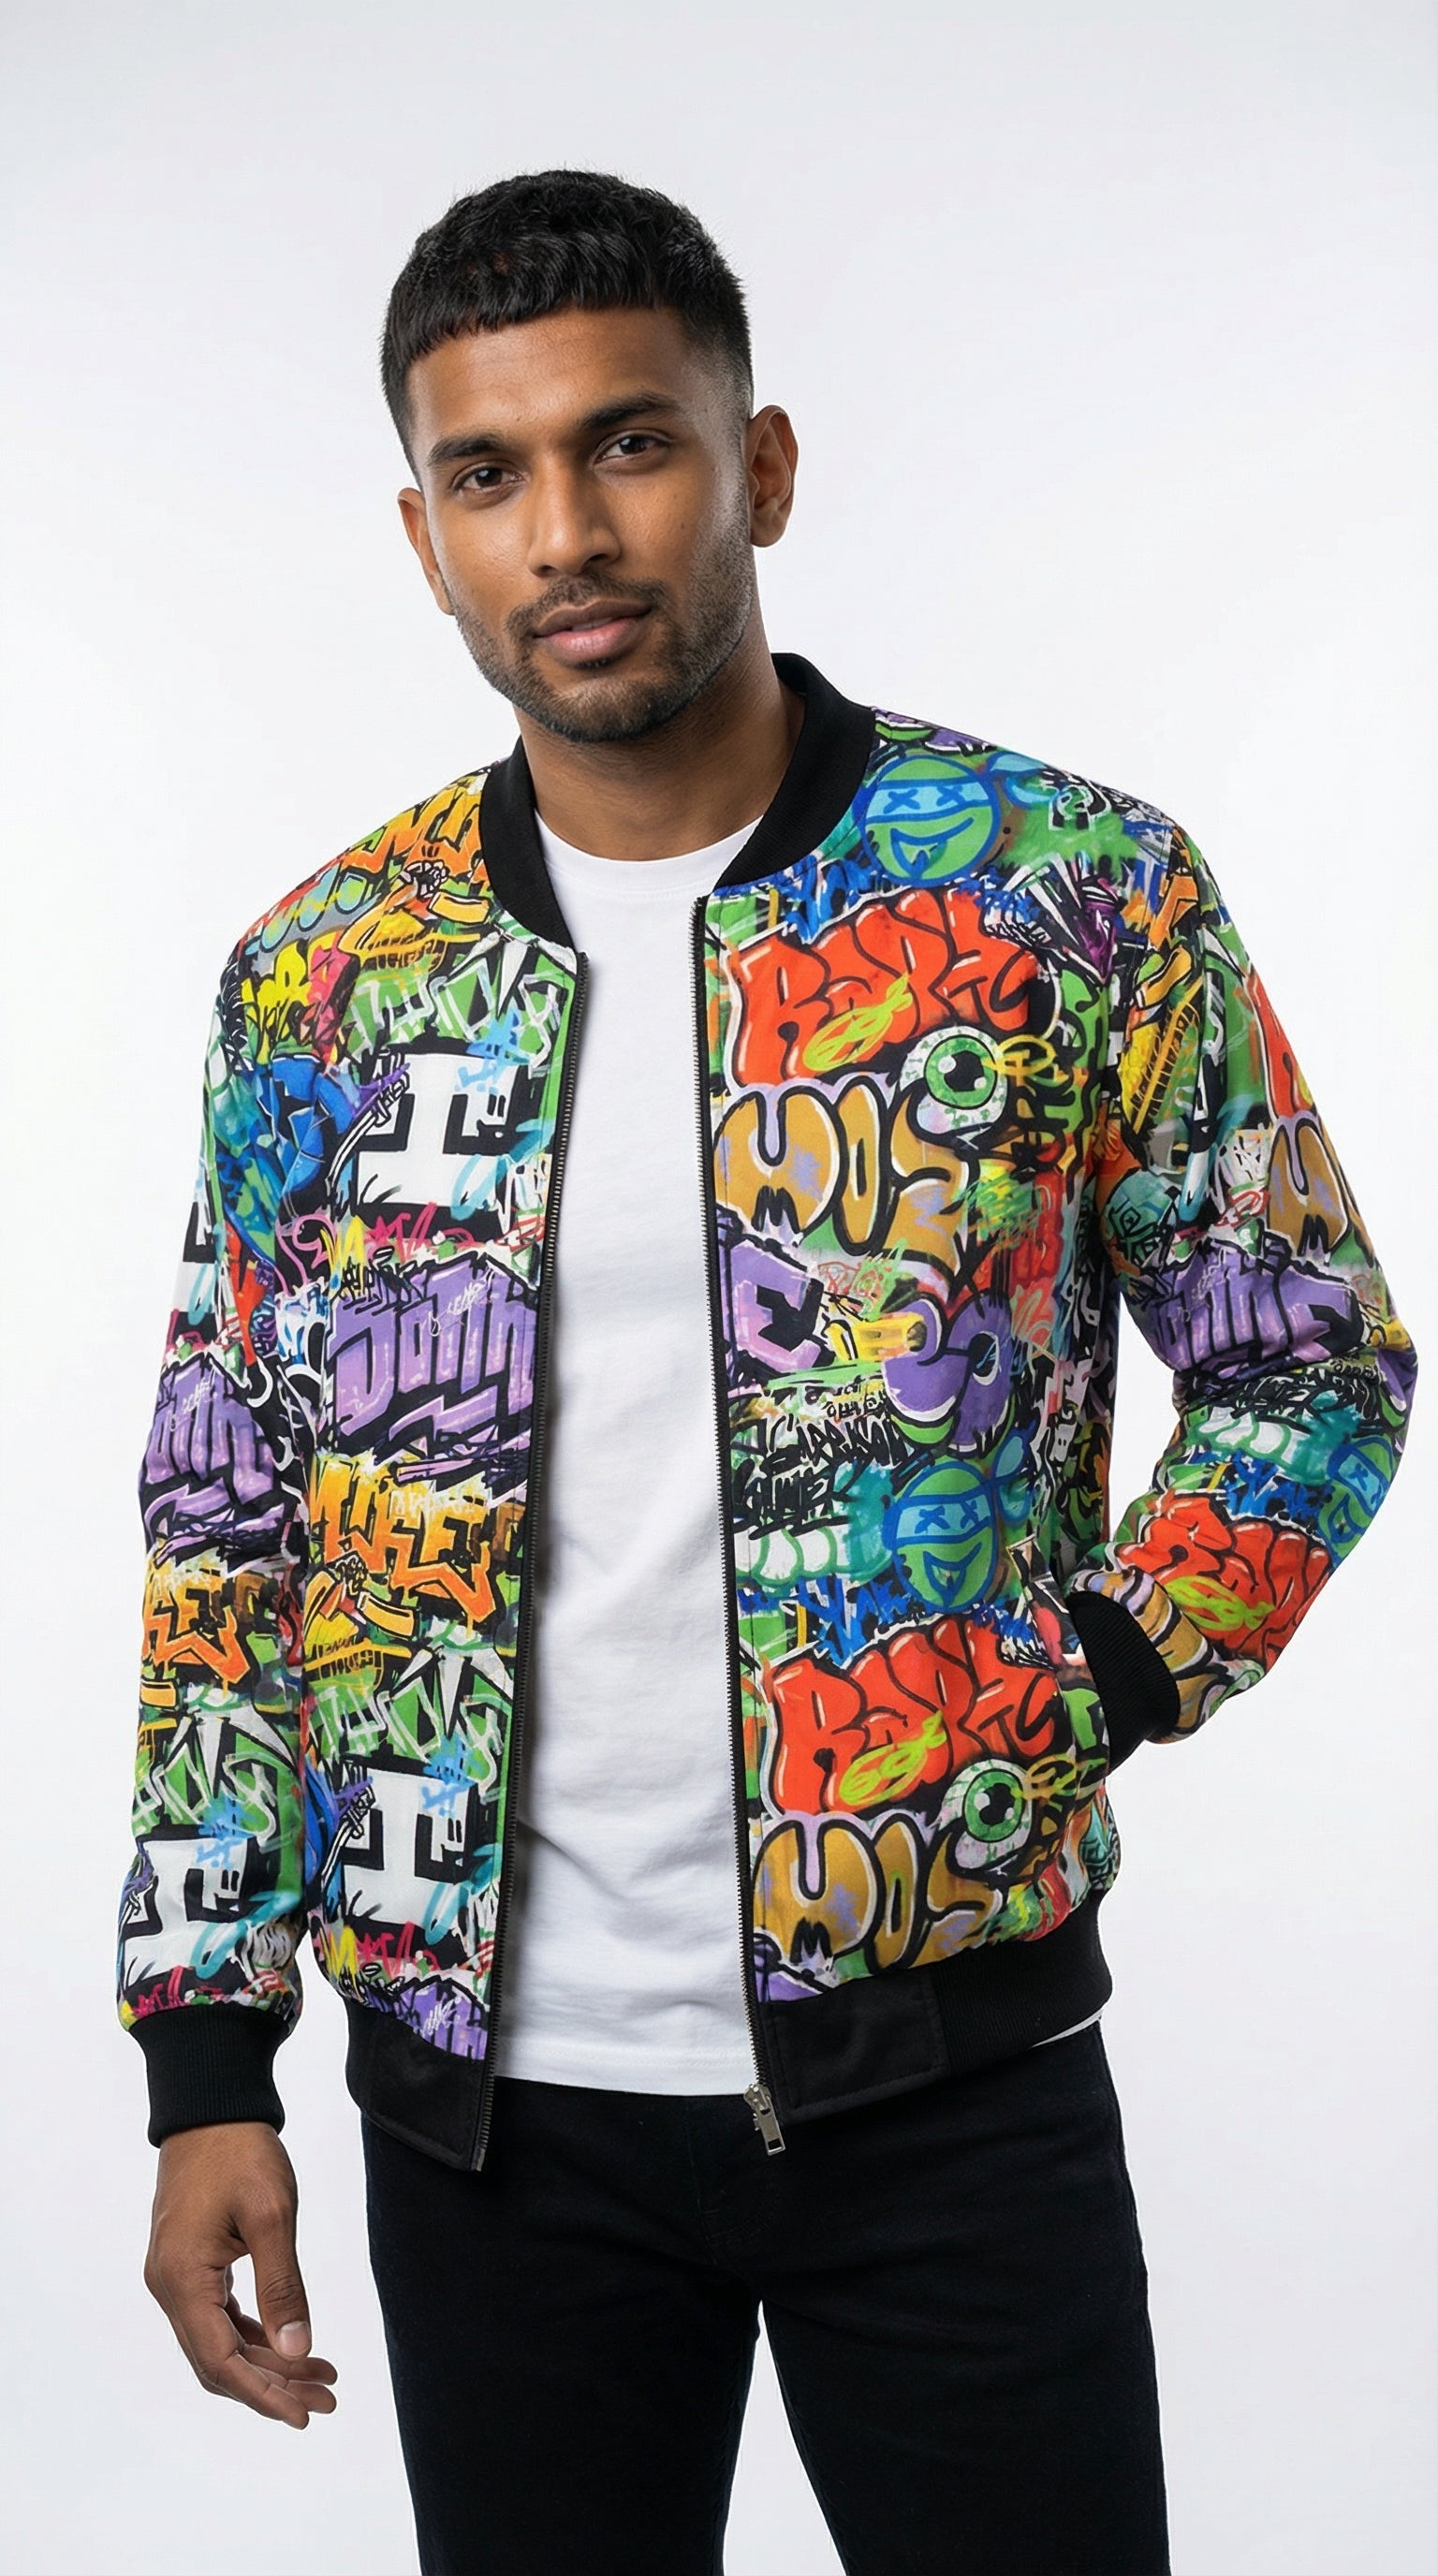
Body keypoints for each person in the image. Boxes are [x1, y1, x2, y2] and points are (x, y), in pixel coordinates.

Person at [120, 170, 1416, 2576]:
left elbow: (1309, 1360)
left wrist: (1106, 1668)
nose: (568, 532)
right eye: (489, 473)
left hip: (949, 2077)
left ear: (765, 467)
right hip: (486, 2126)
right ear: (422, 537)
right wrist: (210, 2054)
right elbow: (229, 1514)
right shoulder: (326, 978)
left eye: (632, 443)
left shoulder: (1063, 891)